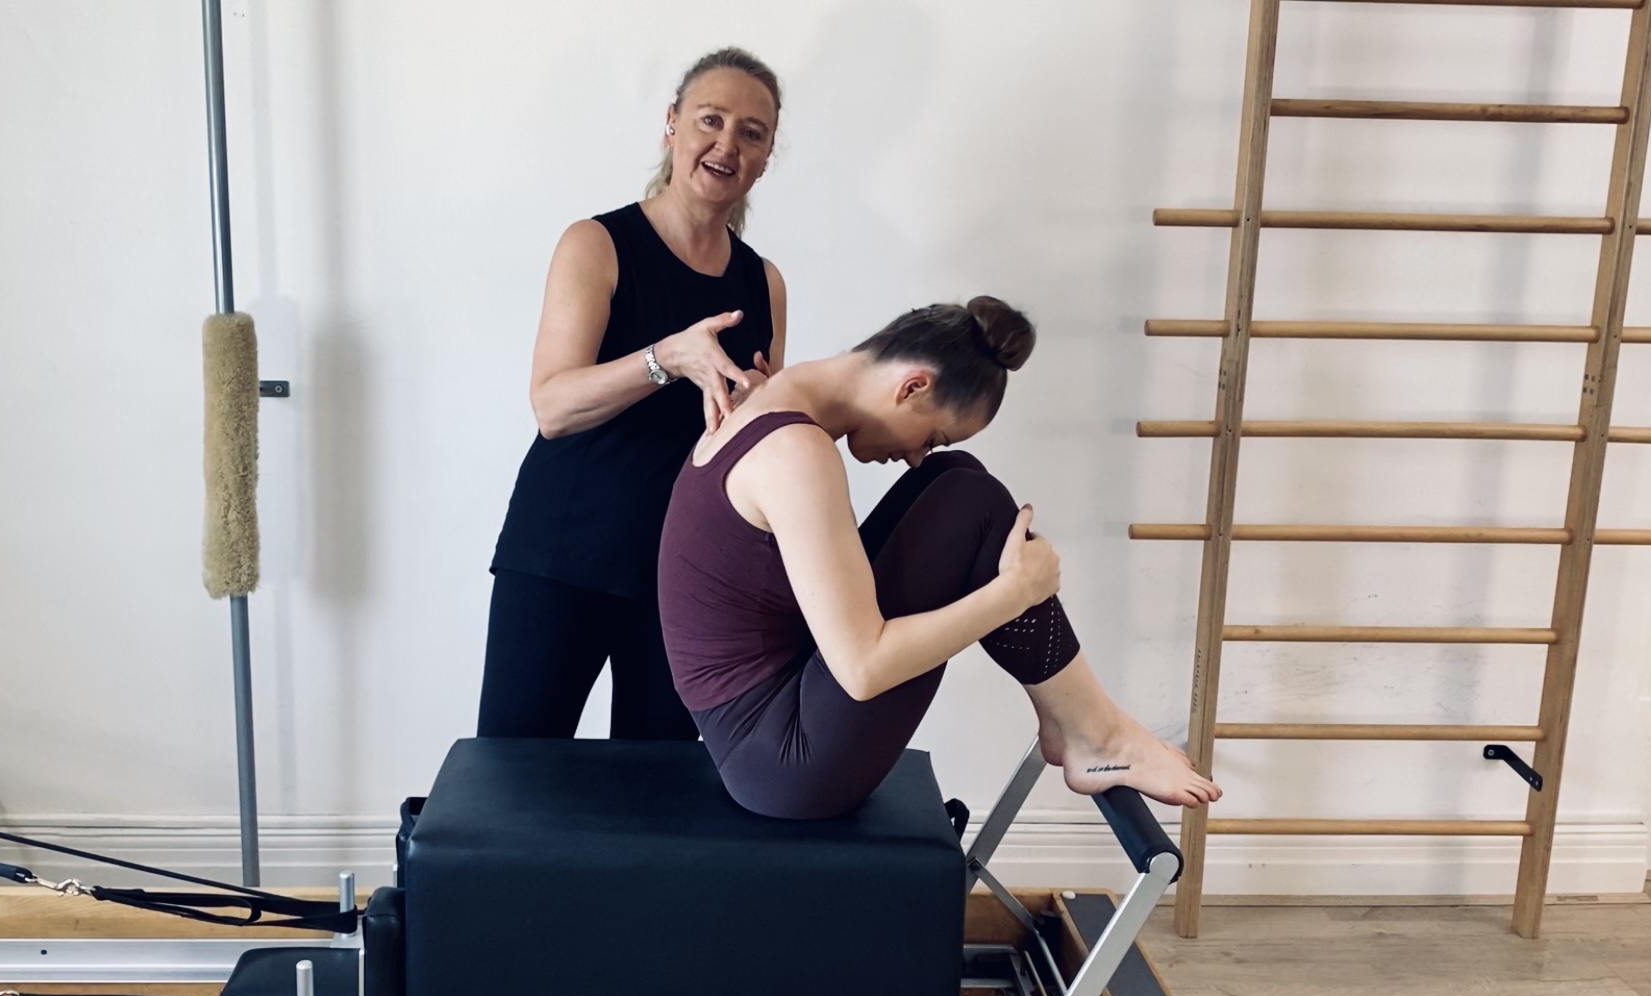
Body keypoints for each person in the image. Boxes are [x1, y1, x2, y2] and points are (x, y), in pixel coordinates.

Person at [657, 298, 1222, 819]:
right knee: (971, 502)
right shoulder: (792, 452)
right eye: (933, 436)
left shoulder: (769, 407)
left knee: (958, 479)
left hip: (773, 719)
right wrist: (1012, 596)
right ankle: (1093, 732)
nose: (915, 457)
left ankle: (1081, 725)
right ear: (913, 387)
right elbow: (863, 670)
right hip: (783, 760)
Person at [481, 48, 787, 740]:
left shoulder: (764, 282)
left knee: (658, 807)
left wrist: (763, 413)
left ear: (767, 156)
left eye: (752, 132)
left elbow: (745, 452)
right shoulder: (597, 244)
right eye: (711, 119)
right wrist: (666, 358)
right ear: (673, 125)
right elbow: (552, 407)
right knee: (513, 784)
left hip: (685, 578)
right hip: (562, 559)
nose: (727, 143)